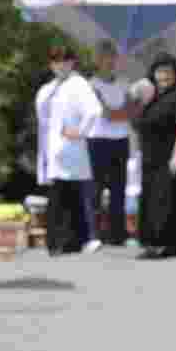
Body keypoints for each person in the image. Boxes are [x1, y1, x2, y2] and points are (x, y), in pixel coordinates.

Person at [35, 45, 103, 256]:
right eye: (56, 61)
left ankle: (71, 241)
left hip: (70, 146)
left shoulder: (78, 84)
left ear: (72, 62)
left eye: (65, 60)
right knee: (58, 195)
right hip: (52, 147)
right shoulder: (50, 87)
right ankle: (59, 242)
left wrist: (81, 131)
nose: (60, 65)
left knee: (69, 194)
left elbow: (94, 110)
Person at [131, 55, 176, 259]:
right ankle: (151, 242)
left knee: (167, 200)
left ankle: (166, 243)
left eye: (168, 72)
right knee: (150, 200)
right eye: (159, 72)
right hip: (151, 158)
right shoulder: (152, 97)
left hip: (169, 155)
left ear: (175, 74)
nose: (163, 76)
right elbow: (137, 122)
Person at [87, 40, 134, 247]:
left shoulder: (125, 82)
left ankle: (117, 234)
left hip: (120, 140)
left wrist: (118, 113)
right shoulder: (90, 85)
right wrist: (119, 113)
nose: (108, 60)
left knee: (119, 188)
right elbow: (105, 113)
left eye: (111, 56)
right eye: (103, 56)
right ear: (97, 60)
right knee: (95, 189)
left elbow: (131, 112)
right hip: (97, 140)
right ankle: (93, 233)